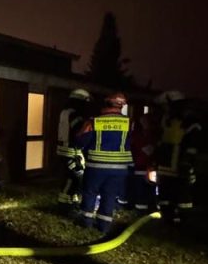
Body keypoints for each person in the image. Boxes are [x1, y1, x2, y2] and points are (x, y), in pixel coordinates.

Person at [74, 91, 132, 233]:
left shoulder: (94, 121)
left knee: (90, 193)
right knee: (110, 195)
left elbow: (80, 141)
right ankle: (104, 225)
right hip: (120, 169)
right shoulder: (130, 123)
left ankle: (86, 222)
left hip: (96, 166)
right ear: (121, 105)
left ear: (106, 103)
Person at [155, 91, 202, 224]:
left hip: (180, 166)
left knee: (182, 196)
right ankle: (167, 219)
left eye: (166, 106)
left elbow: (193, 145)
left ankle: (183, 222)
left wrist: (186, 164)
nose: (164, 109)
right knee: (165, 196)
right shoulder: (166, 120)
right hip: (166, 165)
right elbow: (161, 140)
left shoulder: (190, 122)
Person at [56, 88, 91, 209]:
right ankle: (64, 203)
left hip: (64, 150)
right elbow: (79, 131)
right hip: (72, 151)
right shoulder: (75, 114)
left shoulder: (65, 112)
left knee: (72, 177)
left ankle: (72, 200)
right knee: (74, 177)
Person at [129, 109, 159, 212]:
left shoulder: (152, 135)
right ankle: (142, 210)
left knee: (149, 190)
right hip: (141, 167)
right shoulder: (138, 135)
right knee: (141, 191)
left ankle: (148, 209)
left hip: (149, 167)